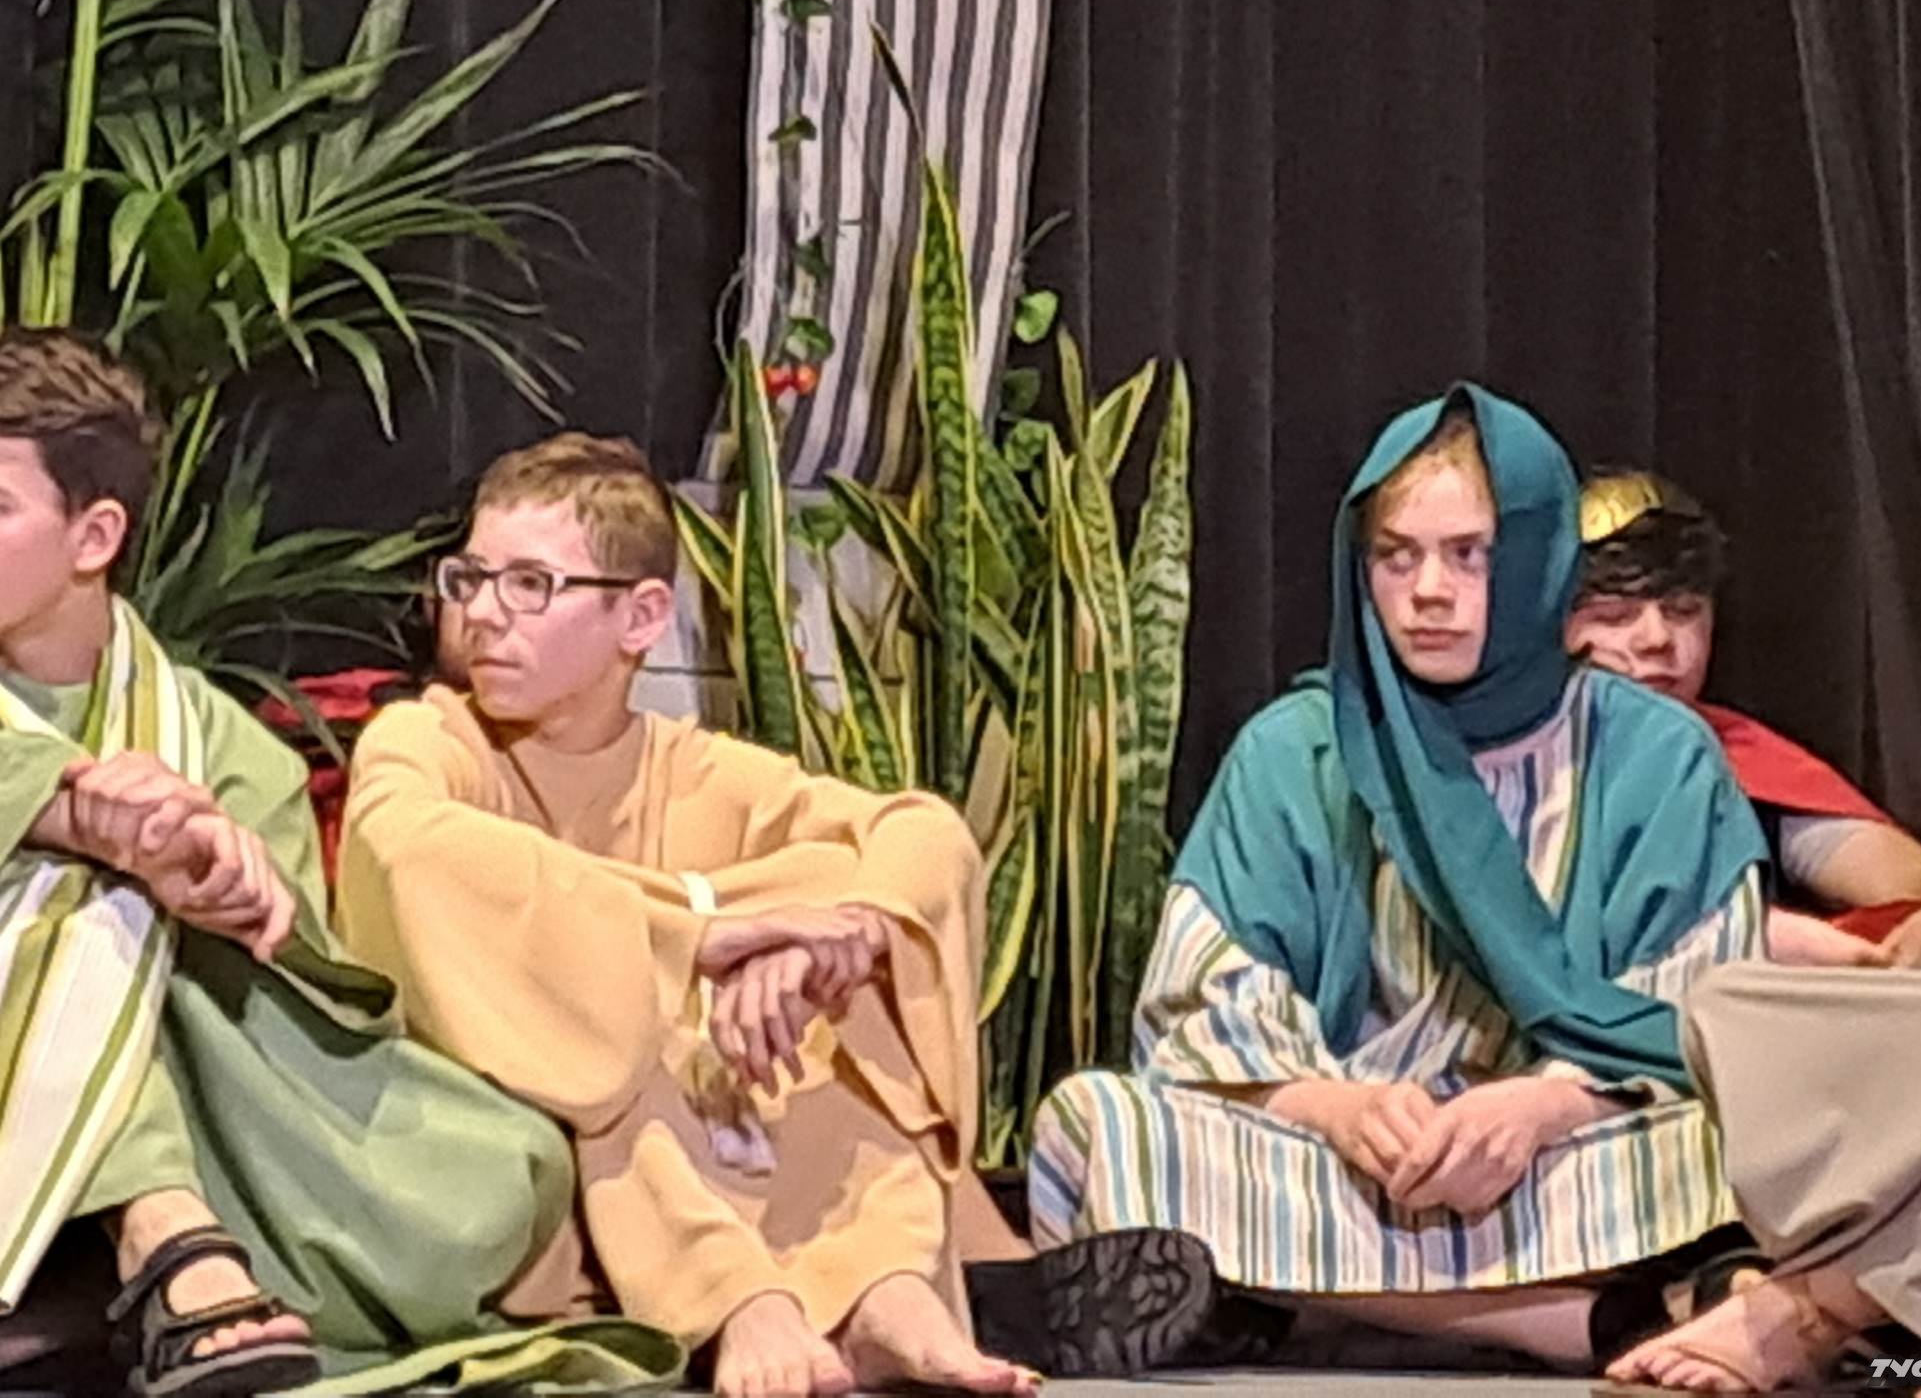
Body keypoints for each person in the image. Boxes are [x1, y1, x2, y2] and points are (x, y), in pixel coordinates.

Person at [336, 431, 1213, 1398]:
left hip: (730, 1130)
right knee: (625, 1005)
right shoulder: (429, 738)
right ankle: (744, 1302)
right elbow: (402, 846)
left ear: (642, 616)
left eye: (530, 585)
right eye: (469, 578)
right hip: (523, 1132)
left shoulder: (697, 769)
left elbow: (924, 835)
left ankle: (885, 1289)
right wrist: (702, 937)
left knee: (846, 944)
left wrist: (837, 937)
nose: (483, 613)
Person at [1028, 387, 1770, 1371]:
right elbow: (1204, 1005)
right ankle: (1572, 1319)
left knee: (1736, 1138)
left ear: (1537, 557)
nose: (1427, 590)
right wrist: (1335, 1109)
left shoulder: (1657, 755)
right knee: (1097, 1125)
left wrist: (1539, 1108)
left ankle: (1299, 1297)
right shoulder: (1297, 749)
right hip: (1350, 1155)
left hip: (1560, 1149)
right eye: (1395, 555)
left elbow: (1702, 1009)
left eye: (1467, 554)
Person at [0, 328, 670, 1398]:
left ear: (97, 535)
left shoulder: (224, 748)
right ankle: (165, 1234)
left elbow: (302, 1015)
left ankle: (102, 1261)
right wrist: (78, 817)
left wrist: (235, 906)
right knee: (85, 901)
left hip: (213, 1114)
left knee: (503, 1168)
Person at [1609, 454, 1921, 1389]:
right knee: (1731, 1003)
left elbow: (1882, 866)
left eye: (1680, 610)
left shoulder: (1724, 756)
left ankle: (1818, 1307)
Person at [1568, 470, 1921, 966]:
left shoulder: (1736, 754)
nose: (1657, 639)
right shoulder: (1501, 764)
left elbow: (1911, 877)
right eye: (1615, 616)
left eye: (1683, 610)